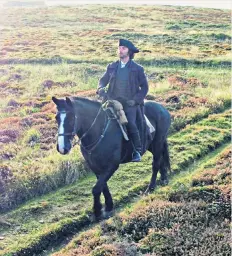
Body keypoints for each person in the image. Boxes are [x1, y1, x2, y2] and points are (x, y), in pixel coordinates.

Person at [97, 39, 148, 162]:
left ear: (129, 51)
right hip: (113, 101)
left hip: (130, 103)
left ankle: (137, 150)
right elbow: (103, 80)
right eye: (119, 48)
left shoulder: (138, 69)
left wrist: (135, 100)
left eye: (123, 48)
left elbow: (145, 87)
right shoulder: (112, 66)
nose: (120, 50)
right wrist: (100, 88)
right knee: (99, 119)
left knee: (130, 123)